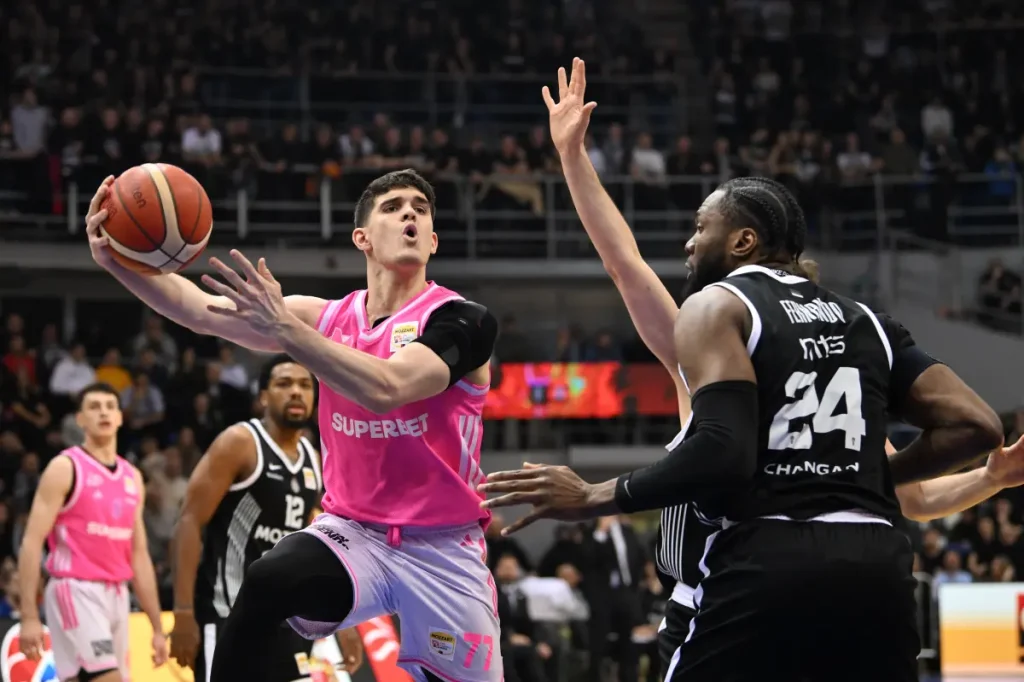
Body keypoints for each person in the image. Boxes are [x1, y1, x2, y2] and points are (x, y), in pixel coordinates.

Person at [482, 58, 1011, 682]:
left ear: (744, 244)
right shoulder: (858, 336)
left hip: (734, 586)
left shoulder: (715, 329)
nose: (688, 243)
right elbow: (912, 488)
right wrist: (988, 479)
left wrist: (571, 158)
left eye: (699, 228)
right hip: (870, 574)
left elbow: (624, 264)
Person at [84, 168, 501, 682]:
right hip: (355, 534)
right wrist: (117, 262)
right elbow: (199, 312)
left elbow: (387, 387)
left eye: (420, 208)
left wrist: (285, 328)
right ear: (362, 239)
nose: (409, 214)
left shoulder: (464, 320)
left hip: (444, 548)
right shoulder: (325, 319)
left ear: (433, 240)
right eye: (392, 207)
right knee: (268, 580)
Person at [168, 355, 363, 682]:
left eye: (305, 385)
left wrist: (344, 621)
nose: (296, 392)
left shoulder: (314, 458)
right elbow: (188, 522)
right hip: (229, 614)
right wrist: (184, 612)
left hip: (289, 621)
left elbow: (323, 542)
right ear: (263, 397)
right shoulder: (240, 443)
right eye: (284, 384)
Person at [17, 383, 168, 682]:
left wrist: (157, 627)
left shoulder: (133, 477)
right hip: (75, 588)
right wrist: (29, 615)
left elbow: (139, 555)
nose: (103, 413)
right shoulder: (65, 467)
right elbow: (31, 542)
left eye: (110, 406)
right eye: (94, 407)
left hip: (117, 593)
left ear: (120, 417)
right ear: (80, 419)